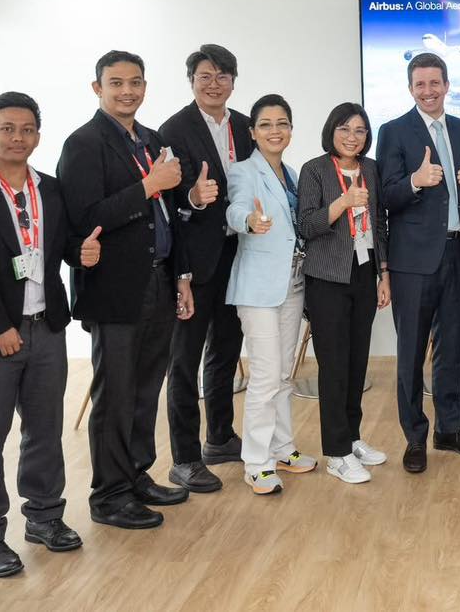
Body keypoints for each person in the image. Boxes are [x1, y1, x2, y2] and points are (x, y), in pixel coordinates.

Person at [0, 92, 93, 577]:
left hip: (47, 326)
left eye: (27, 129)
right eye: (7, 129)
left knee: (45, 430)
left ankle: (45, 516)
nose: (18, 137)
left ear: (38, 136)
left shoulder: (50, 189)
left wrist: (82, 251)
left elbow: (61, 245)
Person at [56, 50, 195, 529]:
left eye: (135, 82)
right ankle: (110, 495)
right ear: (97, 88)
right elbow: (84, 218)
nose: (127, 91)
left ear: (145, 87)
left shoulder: (151, 140)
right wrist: (148, 186)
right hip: (114, 287)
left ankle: (137, 475)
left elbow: (170, 215)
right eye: (116, 83)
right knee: (115, 394)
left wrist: (181, 276)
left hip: (158, 278)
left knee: (146, 388)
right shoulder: (83, 143)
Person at [377, 53, 460, 472]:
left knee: (451, 350)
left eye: (435, 83)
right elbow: (386, 196)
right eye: (420, 84)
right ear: (411, 89)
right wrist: (414, 181)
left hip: (458, 255)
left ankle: (449, 429)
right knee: (410, 353)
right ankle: (415, 437)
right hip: (412, 262)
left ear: (447, 85)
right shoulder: (393, 131)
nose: (428, 91)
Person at [160, 44, 253, 492]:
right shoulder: (173, 130)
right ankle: (184, 458)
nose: (214, 84)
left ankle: (219, 436)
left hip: (239, 255)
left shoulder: (246, 127)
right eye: (205, 76)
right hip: (193, 263)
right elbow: (165, 200)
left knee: (226, 350)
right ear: (192, 81)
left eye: (222, 76)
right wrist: (193, 199)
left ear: (233, 81)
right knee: (184, 360)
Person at [225, 94, 317, 495]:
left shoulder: (291, 173)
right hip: (259, 289)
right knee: (264, 375)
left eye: (282, 123)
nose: (274, 131)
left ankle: (282, 448)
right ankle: (257, 462)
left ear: (291, 129)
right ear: (252, 132)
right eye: (265, 124)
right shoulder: (243, 171)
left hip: (292, 284)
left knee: (282, 373)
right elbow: (235, 208)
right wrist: (248, 220)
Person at [297, 103, 391, 484]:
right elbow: (306, 225)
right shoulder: (314, 170)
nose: (353, 137)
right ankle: (336, 453)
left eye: (360, 130)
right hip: (327, 278)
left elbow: (379, 224)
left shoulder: (371, 169)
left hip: (364, 273)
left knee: (356, 363)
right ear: (331, 131)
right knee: (334, 366)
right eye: (345, 129)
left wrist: (384, 274)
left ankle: (352, 438)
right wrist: (343, 203)